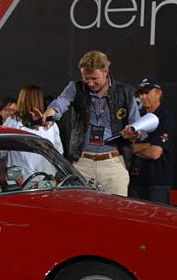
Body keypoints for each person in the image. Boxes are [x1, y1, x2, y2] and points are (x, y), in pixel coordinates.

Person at [33, 50, 139, 196]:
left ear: (106, 72)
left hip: (114, 164)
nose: (90, 83)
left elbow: (137, 130)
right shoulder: (76, 87)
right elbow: (60, 103)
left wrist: (132, 134)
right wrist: (47, 116)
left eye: (94, 78)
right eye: (86, 79)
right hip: (82, 162)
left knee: (114, 214)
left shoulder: (125, 92)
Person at [126, 79, 175, 205]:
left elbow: (154, 153)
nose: (143, 97)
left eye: (147, 93)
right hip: (136, 180)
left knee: (157, 221)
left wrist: (129, 149)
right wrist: (145, 146)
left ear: (159, 93)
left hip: (157, 182)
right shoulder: (137, 117)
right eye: (141, 93)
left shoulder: (165, 118)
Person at [4, 85, 63, 178]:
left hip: (20, 178)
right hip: (46, 178)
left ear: (21, 99)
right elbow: (58, 152)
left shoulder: (12, 121)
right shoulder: (51, 124)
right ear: (40, 99)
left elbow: (1, 149)